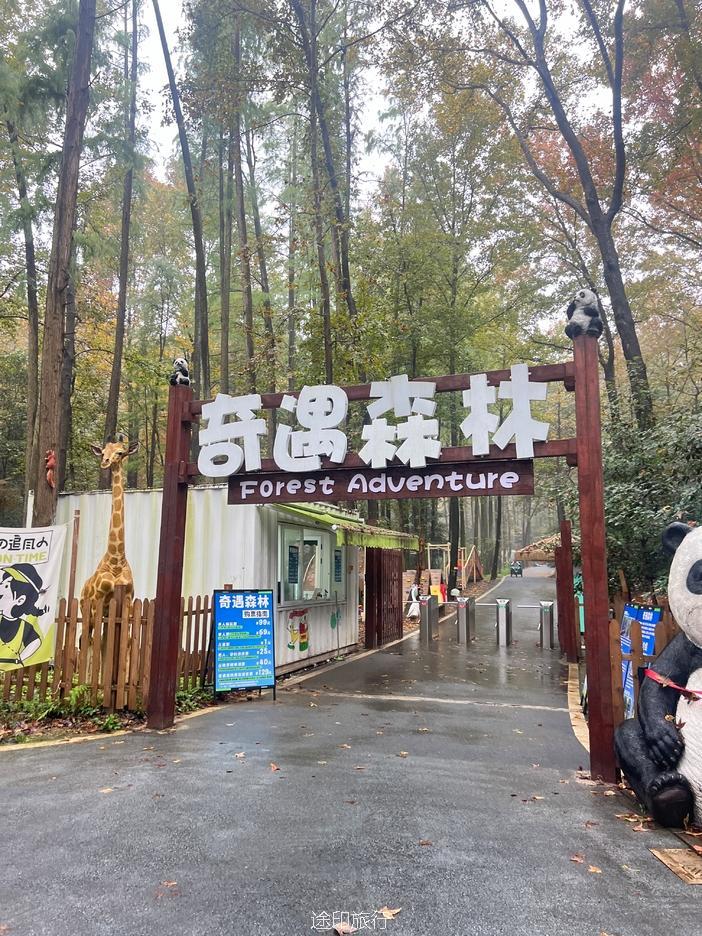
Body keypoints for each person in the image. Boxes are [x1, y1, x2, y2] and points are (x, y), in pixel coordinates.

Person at [0, 564, 47, 670]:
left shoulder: (23, 627)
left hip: (13, 673)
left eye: (6, 586)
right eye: (1, 584)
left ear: (20, 600)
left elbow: (36, 641)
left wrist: (21, 659)